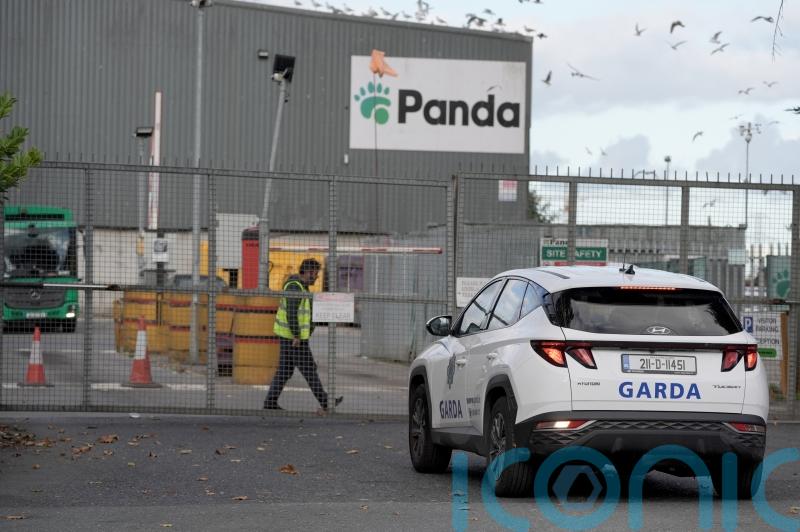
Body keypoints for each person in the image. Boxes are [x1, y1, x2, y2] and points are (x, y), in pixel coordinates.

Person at [264, 258, 343, 412]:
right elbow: (291, 313)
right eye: (315, 274)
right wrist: (296, 335)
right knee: (309, 369)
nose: (317, 277)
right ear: (308, 272)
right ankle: (326, 402)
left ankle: (270, 402)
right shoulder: (295, 287)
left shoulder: (301, 286)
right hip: (294, 338)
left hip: (292, 337)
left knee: (285, 371)